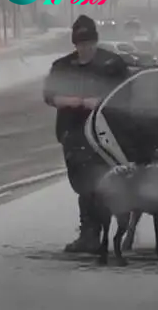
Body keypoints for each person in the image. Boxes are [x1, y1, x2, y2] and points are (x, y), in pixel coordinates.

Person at [43, 14, 130, 253]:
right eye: (81, 44)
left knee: (100, 184)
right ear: (74, 44)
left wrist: (102, 102)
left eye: (89, 44)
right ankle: (89, 233)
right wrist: (66, 100)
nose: (85, 49)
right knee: (83, 186)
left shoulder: (112, 65)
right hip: (72, 133)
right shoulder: (62, 67)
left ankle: (99, 233)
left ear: (96, 41)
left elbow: (127, 93)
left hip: (104, 136)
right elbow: (49, 94)